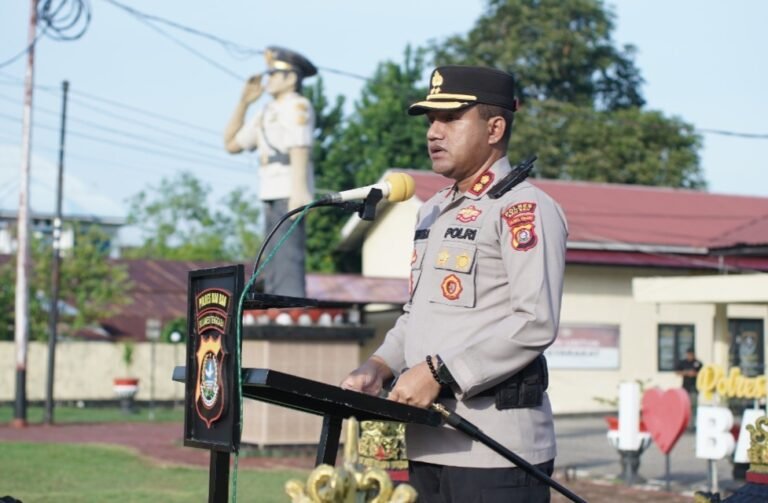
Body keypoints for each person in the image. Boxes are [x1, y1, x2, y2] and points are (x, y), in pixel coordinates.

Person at [341, 65, 569, 502]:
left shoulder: (522, 208)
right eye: (430, 121)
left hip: (494, 450)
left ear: (494, 127)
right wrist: (379, 366)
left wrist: (437, 372)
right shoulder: (433, 211)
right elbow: (418, 313)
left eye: (450, 118)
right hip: (428, 441)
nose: (434, 132)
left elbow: (534, 321)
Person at [223, 46, 317, 297]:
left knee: (287, 254)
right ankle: (276, 300)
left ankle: (289, 303)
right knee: (271, 254)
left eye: (274, 73)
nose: (269, 80)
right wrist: (243, 102)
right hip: (270, 190)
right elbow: (231, 143)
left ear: (291, 78)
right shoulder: (266, 111)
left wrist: (299, 191)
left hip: (289, 188)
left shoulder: (298, 105)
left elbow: (300, 146)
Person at [676, 347, 702, 427]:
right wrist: (687, 373)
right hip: (685, 388)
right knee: (685, 407)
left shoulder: (697, 363)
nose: (690, 356)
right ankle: (685, 424)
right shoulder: (683, 363)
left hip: (694, 388)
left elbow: (702, 373)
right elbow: (677, 372)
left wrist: (694, 374)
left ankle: (693, 424)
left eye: (691, 354)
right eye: (688, 354)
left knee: (693, 406)